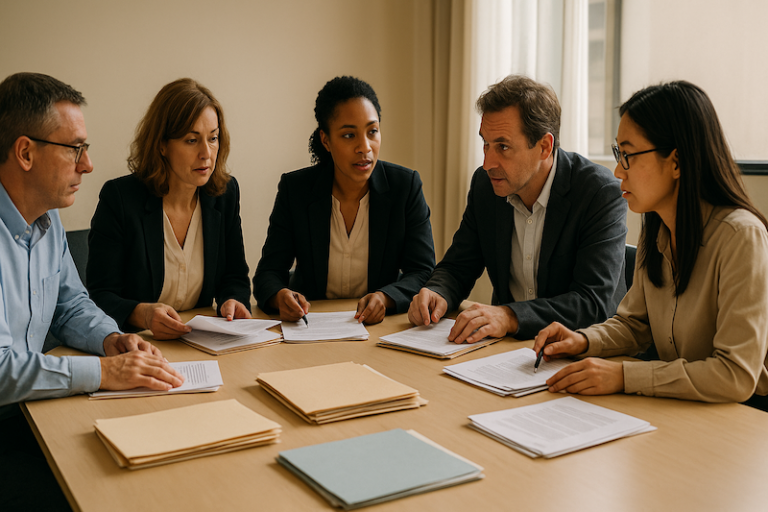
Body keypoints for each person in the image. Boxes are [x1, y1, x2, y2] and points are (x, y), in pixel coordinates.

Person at [0, 72, 183, 511]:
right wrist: (103, 374)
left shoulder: (47, 220)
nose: (88, 165)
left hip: (30, 412)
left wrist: (110, 339)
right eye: (75, 149)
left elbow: (71, 304)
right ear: (25, 152)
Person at [533, 81, 768, 407]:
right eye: (619, 154)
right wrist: (583, 339)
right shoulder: (656, 227)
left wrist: (624, 377)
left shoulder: (741, 237)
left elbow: (735, 375)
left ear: (676, 161)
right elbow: (635, 325)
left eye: (627, 155)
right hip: (683, 410)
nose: (617, 171)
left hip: (741, 419)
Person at [408, 74, 627, 342]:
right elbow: (458, 266)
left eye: (503, 146)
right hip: (507, 351)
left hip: (580, 353)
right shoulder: (485, 186)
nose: (488, 162)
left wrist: (510, 316)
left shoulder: (598, 193)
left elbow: (592, 303)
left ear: (544, 146)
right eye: (485, 144)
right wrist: (437, 292)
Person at [253, 76, 435, 325]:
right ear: (326, 140)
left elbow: (423, 271)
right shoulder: (296, 190)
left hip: (378, 328)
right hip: (311, 326)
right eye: (349, 135)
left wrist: (386, 297)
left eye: (372, 132)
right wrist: (280, 295)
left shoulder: (405, 187)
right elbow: (268, 273)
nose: (365, 147)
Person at [87, 78, 252, 340]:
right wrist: (142, 314)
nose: (206, 153)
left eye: (213, 138)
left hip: (203, 342)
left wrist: (232, 301)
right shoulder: (119, 199)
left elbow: (234, 276)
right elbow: (99, 296)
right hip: (140, 343)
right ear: (162, 145)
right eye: (191, 140)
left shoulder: (224, 194)